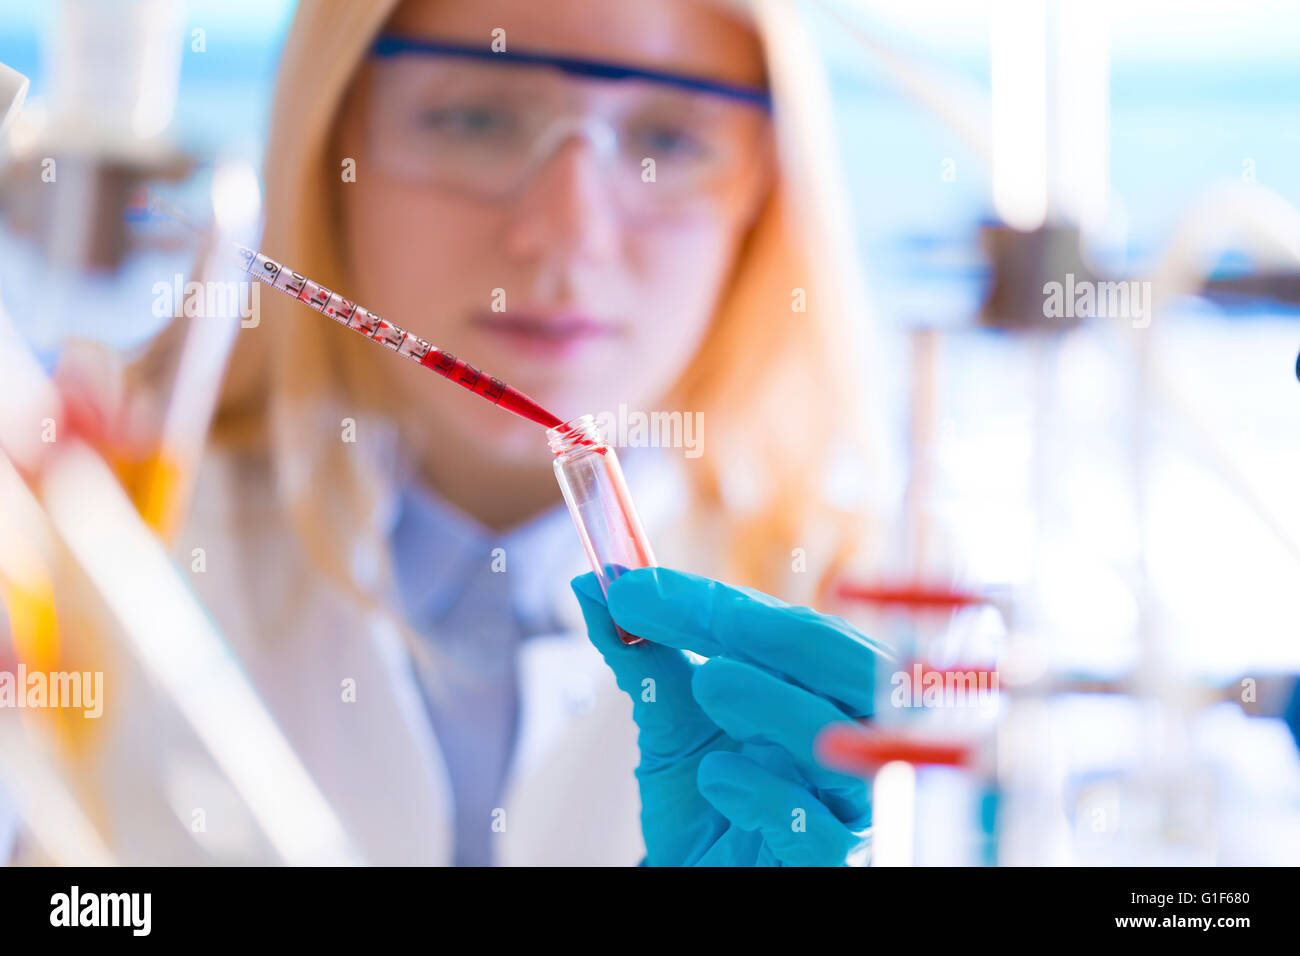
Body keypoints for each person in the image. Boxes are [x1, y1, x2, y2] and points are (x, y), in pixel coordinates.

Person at [12, 0, 885, 866]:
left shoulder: (875, 638)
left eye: (667, 141)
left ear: (767, 191)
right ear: (331, 145)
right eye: (476, 118)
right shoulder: (82, 532)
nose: (565, 237)